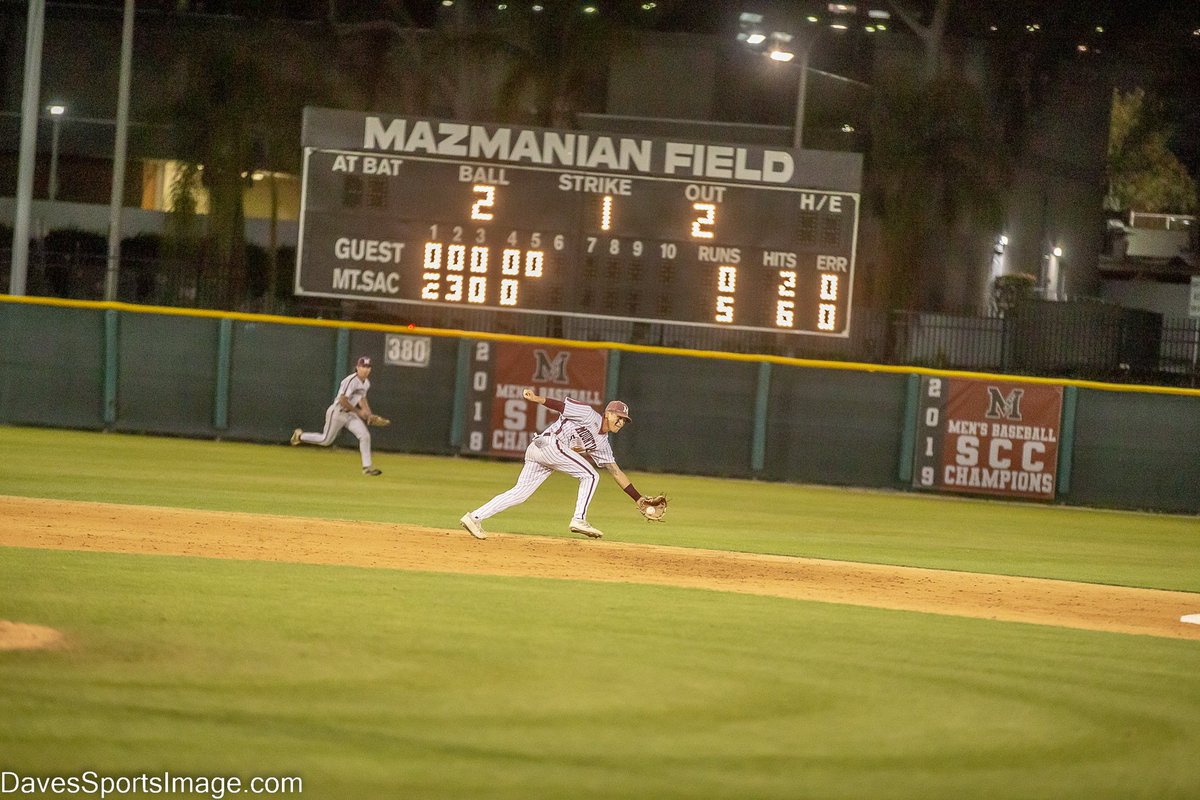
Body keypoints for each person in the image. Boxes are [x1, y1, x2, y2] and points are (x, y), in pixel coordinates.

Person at [460, 389, 647, 540]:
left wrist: (638, 498)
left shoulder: (602, 444)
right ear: (607, 413)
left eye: (624, 420)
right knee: (590, 476)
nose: (621, 422)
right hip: (547, 444)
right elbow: (562, 406)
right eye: (618, 416)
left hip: (545, 451)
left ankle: (474, 517)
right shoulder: (589, 415)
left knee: (520, 494)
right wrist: (536, 398)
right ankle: (579, 519)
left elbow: (615, 471)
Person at [291, 356, 383, 476]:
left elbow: (362, 398)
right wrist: (359, 412)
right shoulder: (350, 381)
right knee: (326, 440)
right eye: (363, 366)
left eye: (368, 367)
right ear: (357, 367)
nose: (365, 369)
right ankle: (300, 436)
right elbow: (342, 400)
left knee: (365, 436)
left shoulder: (366, 383)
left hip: (350, 415)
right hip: (337, 412)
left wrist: (369, 414)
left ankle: (367, 468)